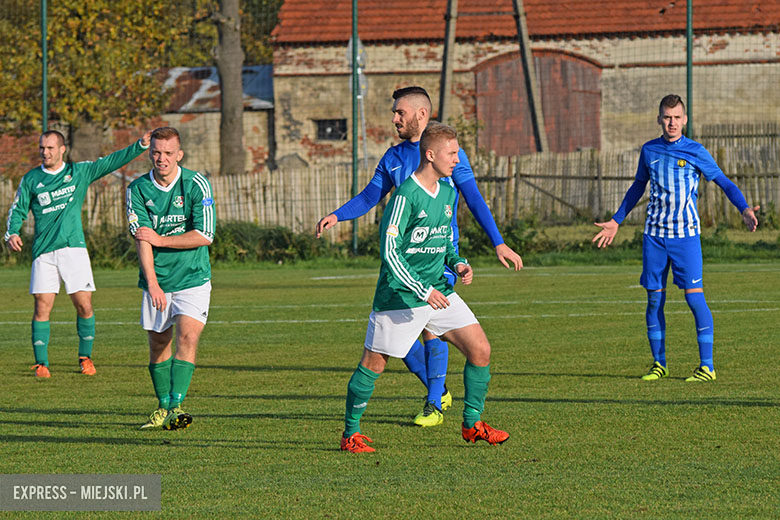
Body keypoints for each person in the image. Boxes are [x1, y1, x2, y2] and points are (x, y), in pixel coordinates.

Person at [316, 86, 522, 427]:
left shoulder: (449, 154)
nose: (395, 119)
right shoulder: (394, 158)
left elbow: (474, 198)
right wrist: (338, 215)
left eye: (400, 113)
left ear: (420, 115)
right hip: (404, 266)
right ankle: (434, 391)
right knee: (403, 342)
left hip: (440, 258)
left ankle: (435, 405)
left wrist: (497, 243)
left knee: (437, 333)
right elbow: (370, 196)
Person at [340, 122, 509, 453]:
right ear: (430, 155)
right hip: (400, 297)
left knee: (480, 350)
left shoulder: (447, 192)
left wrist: (457, 262)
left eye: (458, 152)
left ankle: (472, 424)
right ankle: (350, 434)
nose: (458, 159)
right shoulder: (405, 195)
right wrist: (421, 290)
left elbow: (443, 240)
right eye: (452, 153)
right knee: (373, 366)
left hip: (437, 293)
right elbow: (389, 252)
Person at [593, 94, 759, 382]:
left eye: (676, 117)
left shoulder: (696, 151)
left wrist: (743, 209)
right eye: (666, 117)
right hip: (654, 238)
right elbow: (637, 187)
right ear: (659, 119)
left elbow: (725, 182)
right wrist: (617, 220)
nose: (672, 122)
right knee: (654, 301)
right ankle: (659, 364)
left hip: (686, 238)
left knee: (695, 300)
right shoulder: (649, 150)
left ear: (685, 120)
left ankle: (706, 366)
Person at [4, 129, 151, 378]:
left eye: (50, 148)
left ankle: (85, 358)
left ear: (62, 149)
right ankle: (41, 364)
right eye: (42, 147)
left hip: (73, 249)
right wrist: (12, 233)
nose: (45, 152)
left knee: (84, 304)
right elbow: (17, 209)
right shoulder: (31, 179)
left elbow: (109, 162)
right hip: (43, 251)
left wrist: (139, 146)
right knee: (42, 305)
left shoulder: (78, 172)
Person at [126, 127, 215, 430]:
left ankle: (176, 406)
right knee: (158, 342)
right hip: (158, 279)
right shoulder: (137, 189)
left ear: (179, 155)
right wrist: (152, 284)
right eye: (156, 152)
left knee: (188, 336)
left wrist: (161, 239)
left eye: (167, 153)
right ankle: (163, 407)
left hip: (193, 277)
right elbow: (142, 239)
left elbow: (205, 235)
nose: (161, 158)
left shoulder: (196, 184)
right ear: (150, 153)